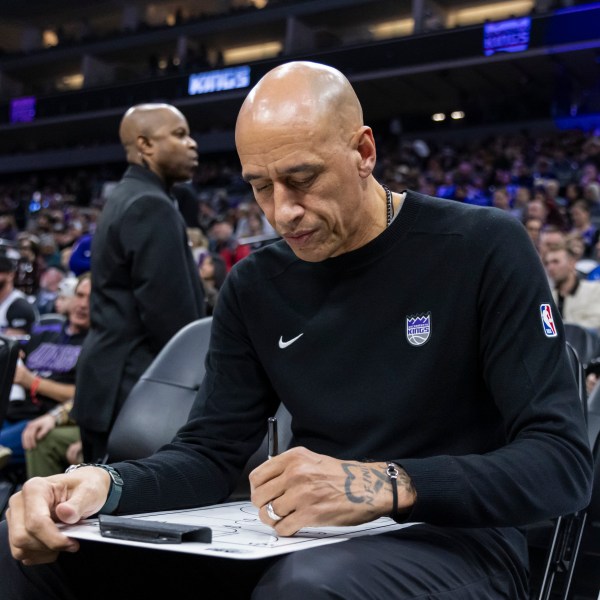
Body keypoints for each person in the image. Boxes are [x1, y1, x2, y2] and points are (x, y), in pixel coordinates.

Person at [0, 61, 592, 600]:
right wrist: (102, 485)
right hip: (301, 542)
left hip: (459, 543)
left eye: (302, 178)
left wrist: (386, 482)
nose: (282, 211)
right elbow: (208, 453)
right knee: (25, 549)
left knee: (306, 588)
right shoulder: (255, 285)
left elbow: (562, 464)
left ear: (364, 152)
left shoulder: (483, 247)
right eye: (260, 186)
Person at [69, 103, 205, 463]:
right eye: (179, 134)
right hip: (134, 389)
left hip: (109, 381)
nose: (192, 144)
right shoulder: (150, 204)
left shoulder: (126, 196)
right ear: (145, 145)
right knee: (142, 511)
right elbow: (173, 321)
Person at [0, 272, 90, 472]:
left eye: (91, 299)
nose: (83, 305)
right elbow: (20, 357)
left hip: (42, 417)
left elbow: (86, 395)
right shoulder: (47, 329)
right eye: (80, 295)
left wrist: (32, 382)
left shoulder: (96, 343)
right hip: (12, 409)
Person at [543, 242, 600, 331]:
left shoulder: (595, 290)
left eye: (555, 262)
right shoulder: (547, 297)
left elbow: (596, 322)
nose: (550, 267)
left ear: (571, 263)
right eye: (547, 263)